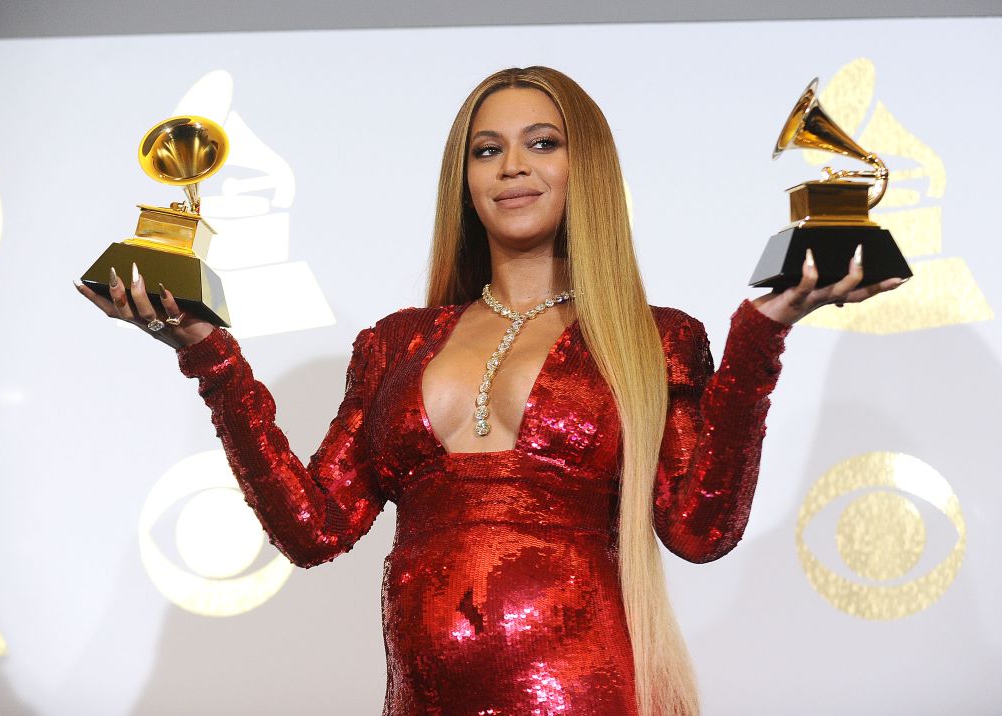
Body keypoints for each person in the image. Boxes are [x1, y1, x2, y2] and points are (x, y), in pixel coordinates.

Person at [77, 67, 904, 716]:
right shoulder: (397, 342)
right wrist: (209, 357)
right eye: (486, 149)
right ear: (464, 178)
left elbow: (700, 529)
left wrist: (762, 332)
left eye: (542, 142)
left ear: (586, 166)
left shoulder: (655, 337)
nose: (512, 166)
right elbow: (313, 530)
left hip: (590, 698)